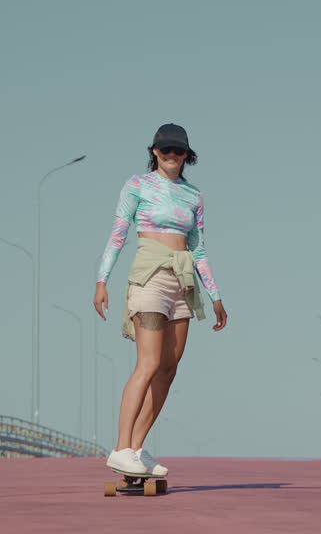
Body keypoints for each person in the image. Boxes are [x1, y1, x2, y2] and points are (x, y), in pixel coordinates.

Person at [94, 123, 228, 477]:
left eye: (178, 151)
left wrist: (215, 296)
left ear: (187, 156)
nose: (171, 156)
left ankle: (136, 450)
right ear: (155, 151)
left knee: (169, 368)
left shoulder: (193, 195)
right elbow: (118, 235)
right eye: (165, 150)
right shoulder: (137, 185)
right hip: (150, 276)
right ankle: (121, 448)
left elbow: (198, 248)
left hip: (182, 281)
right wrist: (102, 280)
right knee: (149, 362)